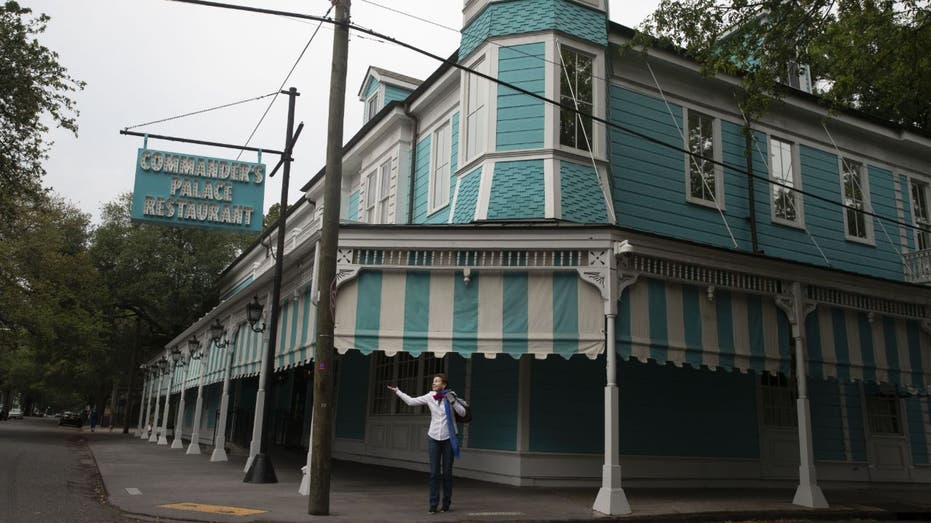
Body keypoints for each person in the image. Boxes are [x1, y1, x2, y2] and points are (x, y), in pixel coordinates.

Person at [388, 373, 467, 514]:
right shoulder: (430, 396)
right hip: (434, 438)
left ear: (444, 384)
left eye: (437, 381)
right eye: (433, 381)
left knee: (447, 473)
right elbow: (411, 402)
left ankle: (446, 504)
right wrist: (398, 392)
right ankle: (433, 504)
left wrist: (453, 401)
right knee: (434, 473)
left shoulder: (451, 396)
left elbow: (462, 413)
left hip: (449, 438)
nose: (434, 383)